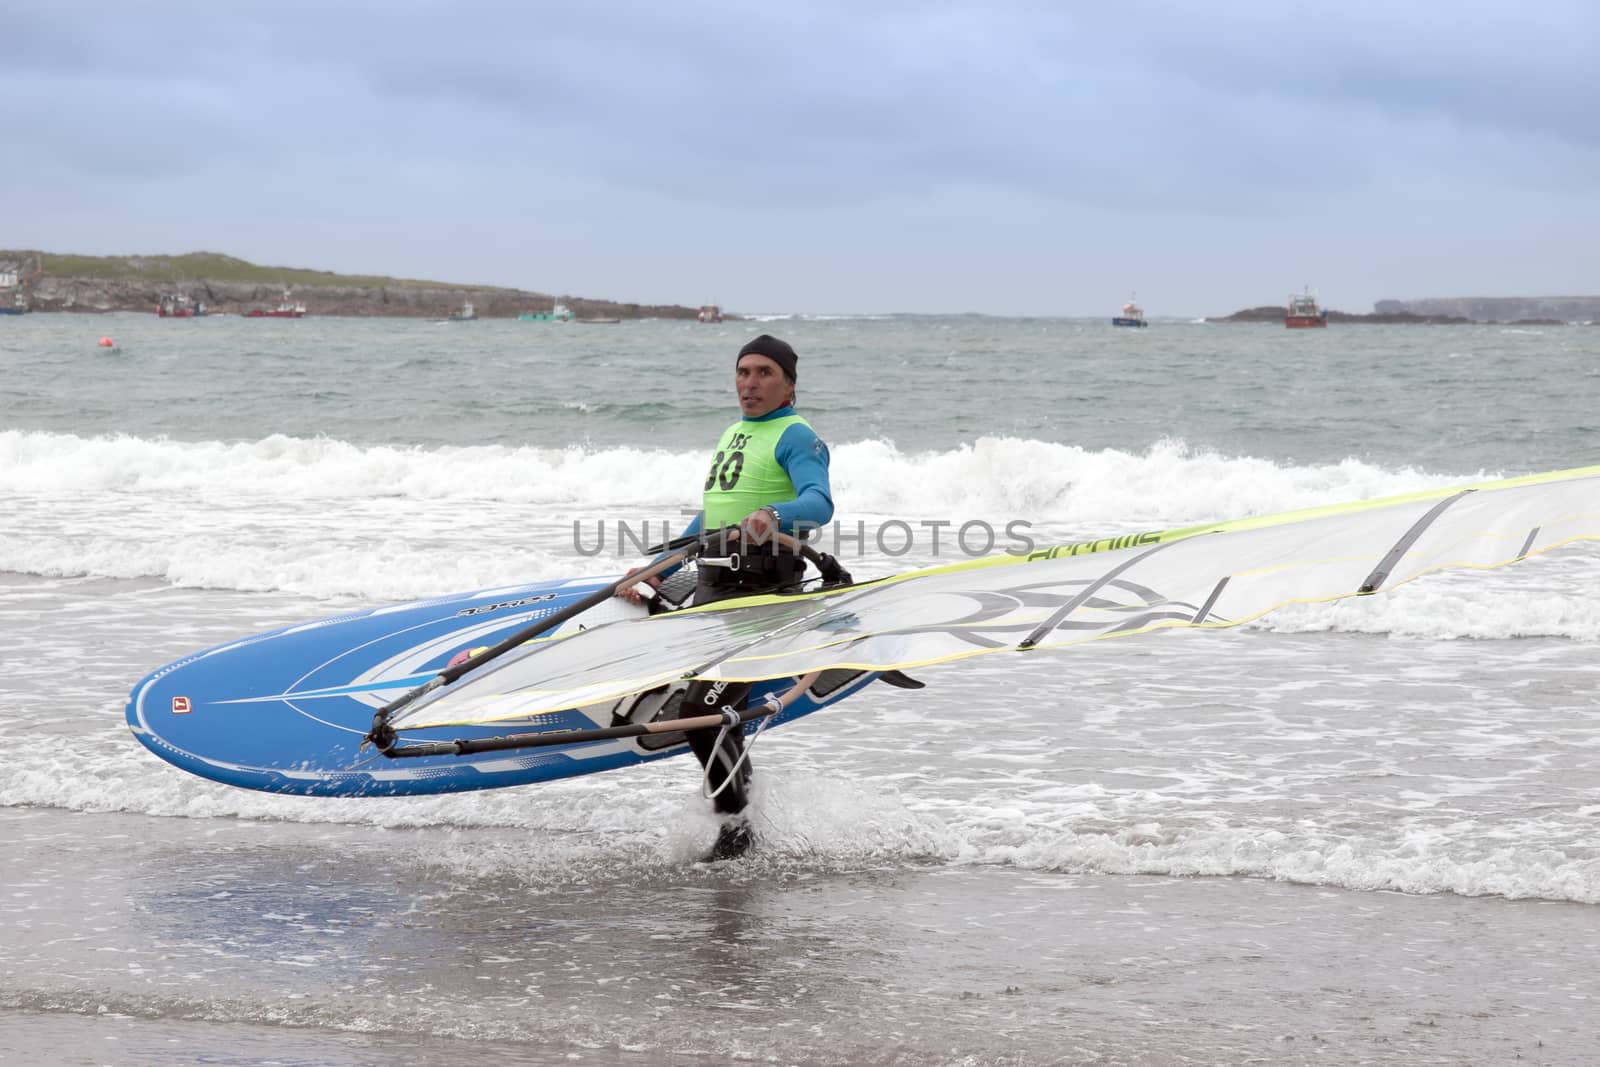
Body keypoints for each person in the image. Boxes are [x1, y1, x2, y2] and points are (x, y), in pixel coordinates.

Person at [619, 334, 834, 860]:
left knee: (701, 711)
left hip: (760, 597)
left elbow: (819, 503)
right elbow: (712, 520)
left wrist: (774, 516)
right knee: (705, 713)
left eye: (763, 373)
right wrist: (660, 563)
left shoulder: (797, 436)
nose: (750, 383)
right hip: (713, 592)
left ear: (789, 384)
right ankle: (742, 827)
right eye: (743, 372)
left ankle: (736, 833)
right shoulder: (735, 432)